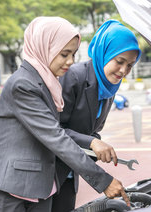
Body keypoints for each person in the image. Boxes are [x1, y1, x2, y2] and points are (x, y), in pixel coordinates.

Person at [0, 17, 129, 212]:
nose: (70, 61)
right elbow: (55, 136)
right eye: (64, 54)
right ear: (44, 47)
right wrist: (103, 180)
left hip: (40, 189)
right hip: (9, 188)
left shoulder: (48, 84)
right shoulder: (23, 84)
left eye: (73, 54)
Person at [57, 19, 141, 211]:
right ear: (105, 53)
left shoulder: (108, 88)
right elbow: (52, 129)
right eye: (119, 62)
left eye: (130, 65)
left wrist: (99, 147)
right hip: (47, 174)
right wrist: (92, 143)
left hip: (69, 176)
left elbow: (90, 131)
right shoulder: (73, 76)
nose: (123, 71)